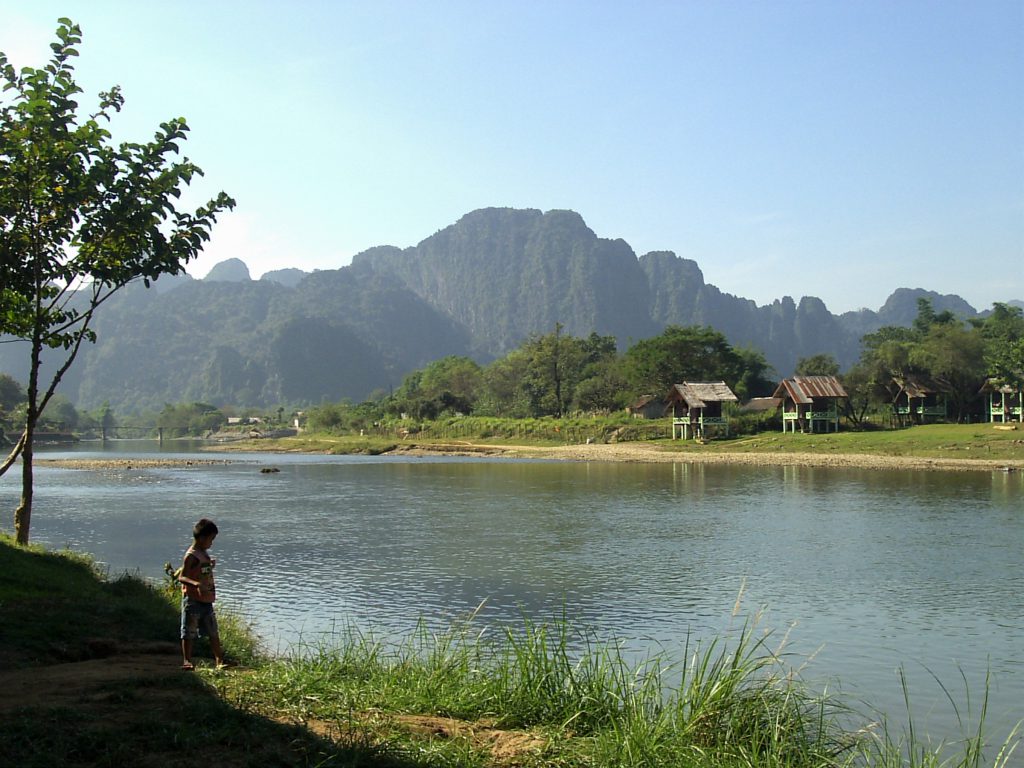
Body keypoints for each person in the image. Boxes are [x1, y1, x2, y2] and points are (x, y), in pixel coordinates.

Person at [178, 517, 225, 670]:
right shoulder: (191, 555)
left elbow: (201, 571)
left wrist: (209, 565)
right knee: (188, 631)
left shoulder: (203, 554)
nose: (211, 543)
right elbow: (182, 576)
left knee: (212, 630)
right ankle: (187, 660)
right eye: (211, 539)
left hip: (207, 599)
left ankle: (219, 660)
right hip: (193, 600)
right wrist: (196, 584)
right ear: (202, 538)